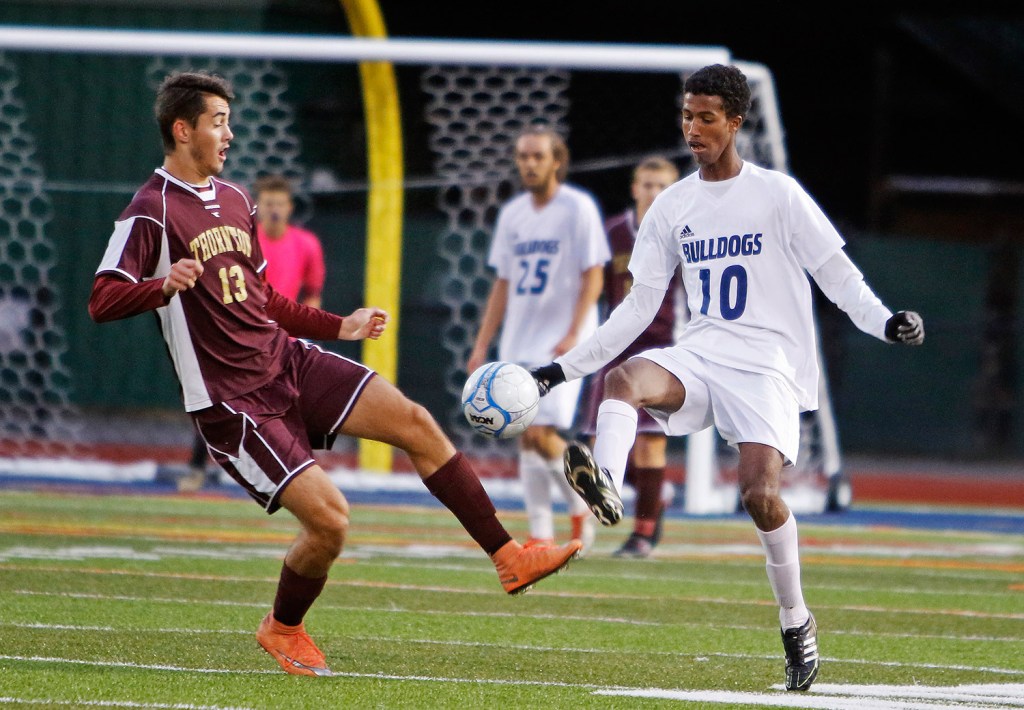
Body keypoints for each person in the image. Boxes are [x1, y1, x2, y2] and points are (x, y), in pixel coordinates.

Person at [88, 70, 582, 678]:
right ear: (182, 128)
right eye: (218, 121)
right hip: (232, 401)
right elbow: (102, 298)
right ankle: (283, 626)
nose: (230, 133)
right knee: (330, 522)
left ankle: (509, 556)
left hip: (286, 359)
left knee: (417, 422)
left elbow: (265, 300)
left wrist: (339, 326)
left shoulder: (238, 200)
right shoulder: (150, 209)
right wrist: (161, 285)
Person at [530, 64, 924, 692]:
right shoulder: (673, 206)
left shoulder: (778, 195)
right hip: (705, 352)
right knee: (625, 378)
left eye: (706, 117)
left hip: (768, 362)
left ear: (735, 121)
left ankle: (796, 619)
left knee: (759, 497)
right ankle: (605, 480)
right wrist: (560, 370)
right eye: (687, 116)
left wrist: (885, 321)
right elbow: (636, 308)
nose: (693, 129)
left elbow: (836, 274)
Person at [467, 124, 609, 554]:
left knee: (545, 433)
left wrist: (574, 332)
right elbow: (502, 283)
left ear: (556, 160)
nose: (529, 164)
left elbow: (594, 274)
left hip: (562, 341)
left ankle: (582, 505)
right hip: (520, 337)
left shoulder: (577, 207)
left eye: (537, 156)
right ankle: (542, 534)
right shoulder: (514, 214)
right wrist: (480, 345)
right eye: (523, 156)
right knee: (524, 434)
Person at [180, 173, 327, 490]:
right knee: (217, 398)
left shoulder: (307, 245)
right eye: (269, 203)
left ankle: (299, 473)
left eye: (280, 203)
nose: (275, 209)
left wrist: (306, 329)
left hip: (285, 338)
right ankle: (198, 468)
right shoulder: (242, 239)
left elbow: (313, 290)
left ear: (289, 207)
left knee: (296, 402)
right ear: (258, 207)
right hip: (243, 334)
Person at [579, 155, 681, 558]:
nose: (654, 192)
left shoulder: (682, 234)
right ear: (634, 188)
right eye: (647, 184)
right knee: (594, 442)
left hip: (663, 348)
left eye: (662, 186)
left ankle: (642, 535)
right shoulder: (613, 233)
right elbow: (592, 286)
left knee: (649, 445)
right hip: (616, 347)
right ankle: (658, 495)